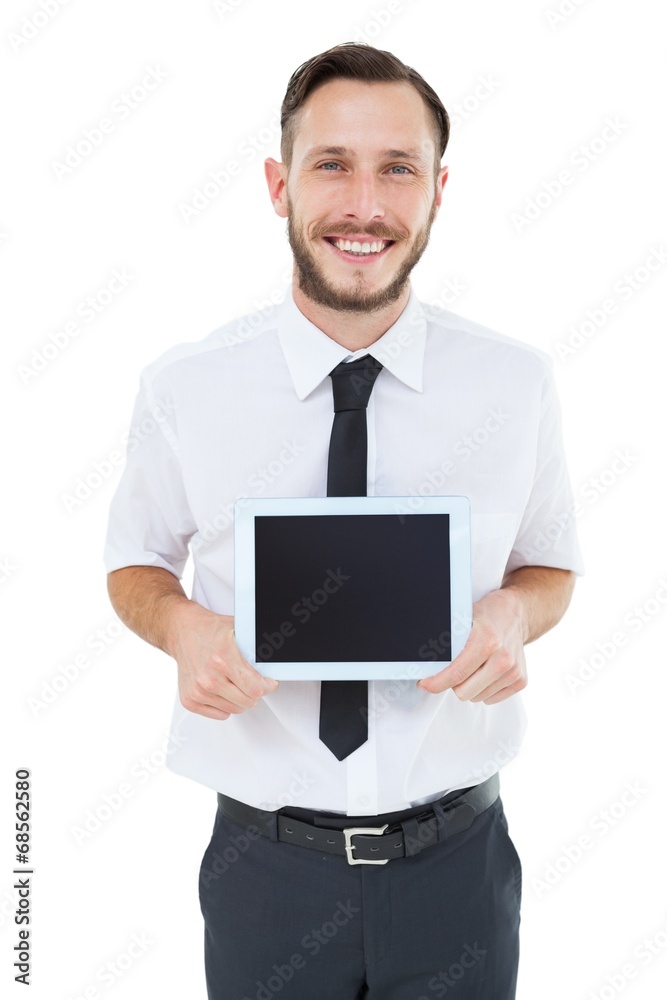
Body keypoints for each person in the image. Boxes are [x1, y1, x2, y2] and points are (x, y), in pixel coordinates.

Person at [105, 42, 583, 999]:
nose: (364, 205)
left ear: (438, 190)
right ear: (279, 183)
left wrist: (513, 616)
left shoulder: (514, 381)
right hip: (264, 874)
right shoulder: (185, 388)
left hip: (459, 866)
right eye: (332, 164)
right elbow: (135, 564)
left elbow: (550, 566)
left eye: (396, 168)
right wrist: (184, 628)